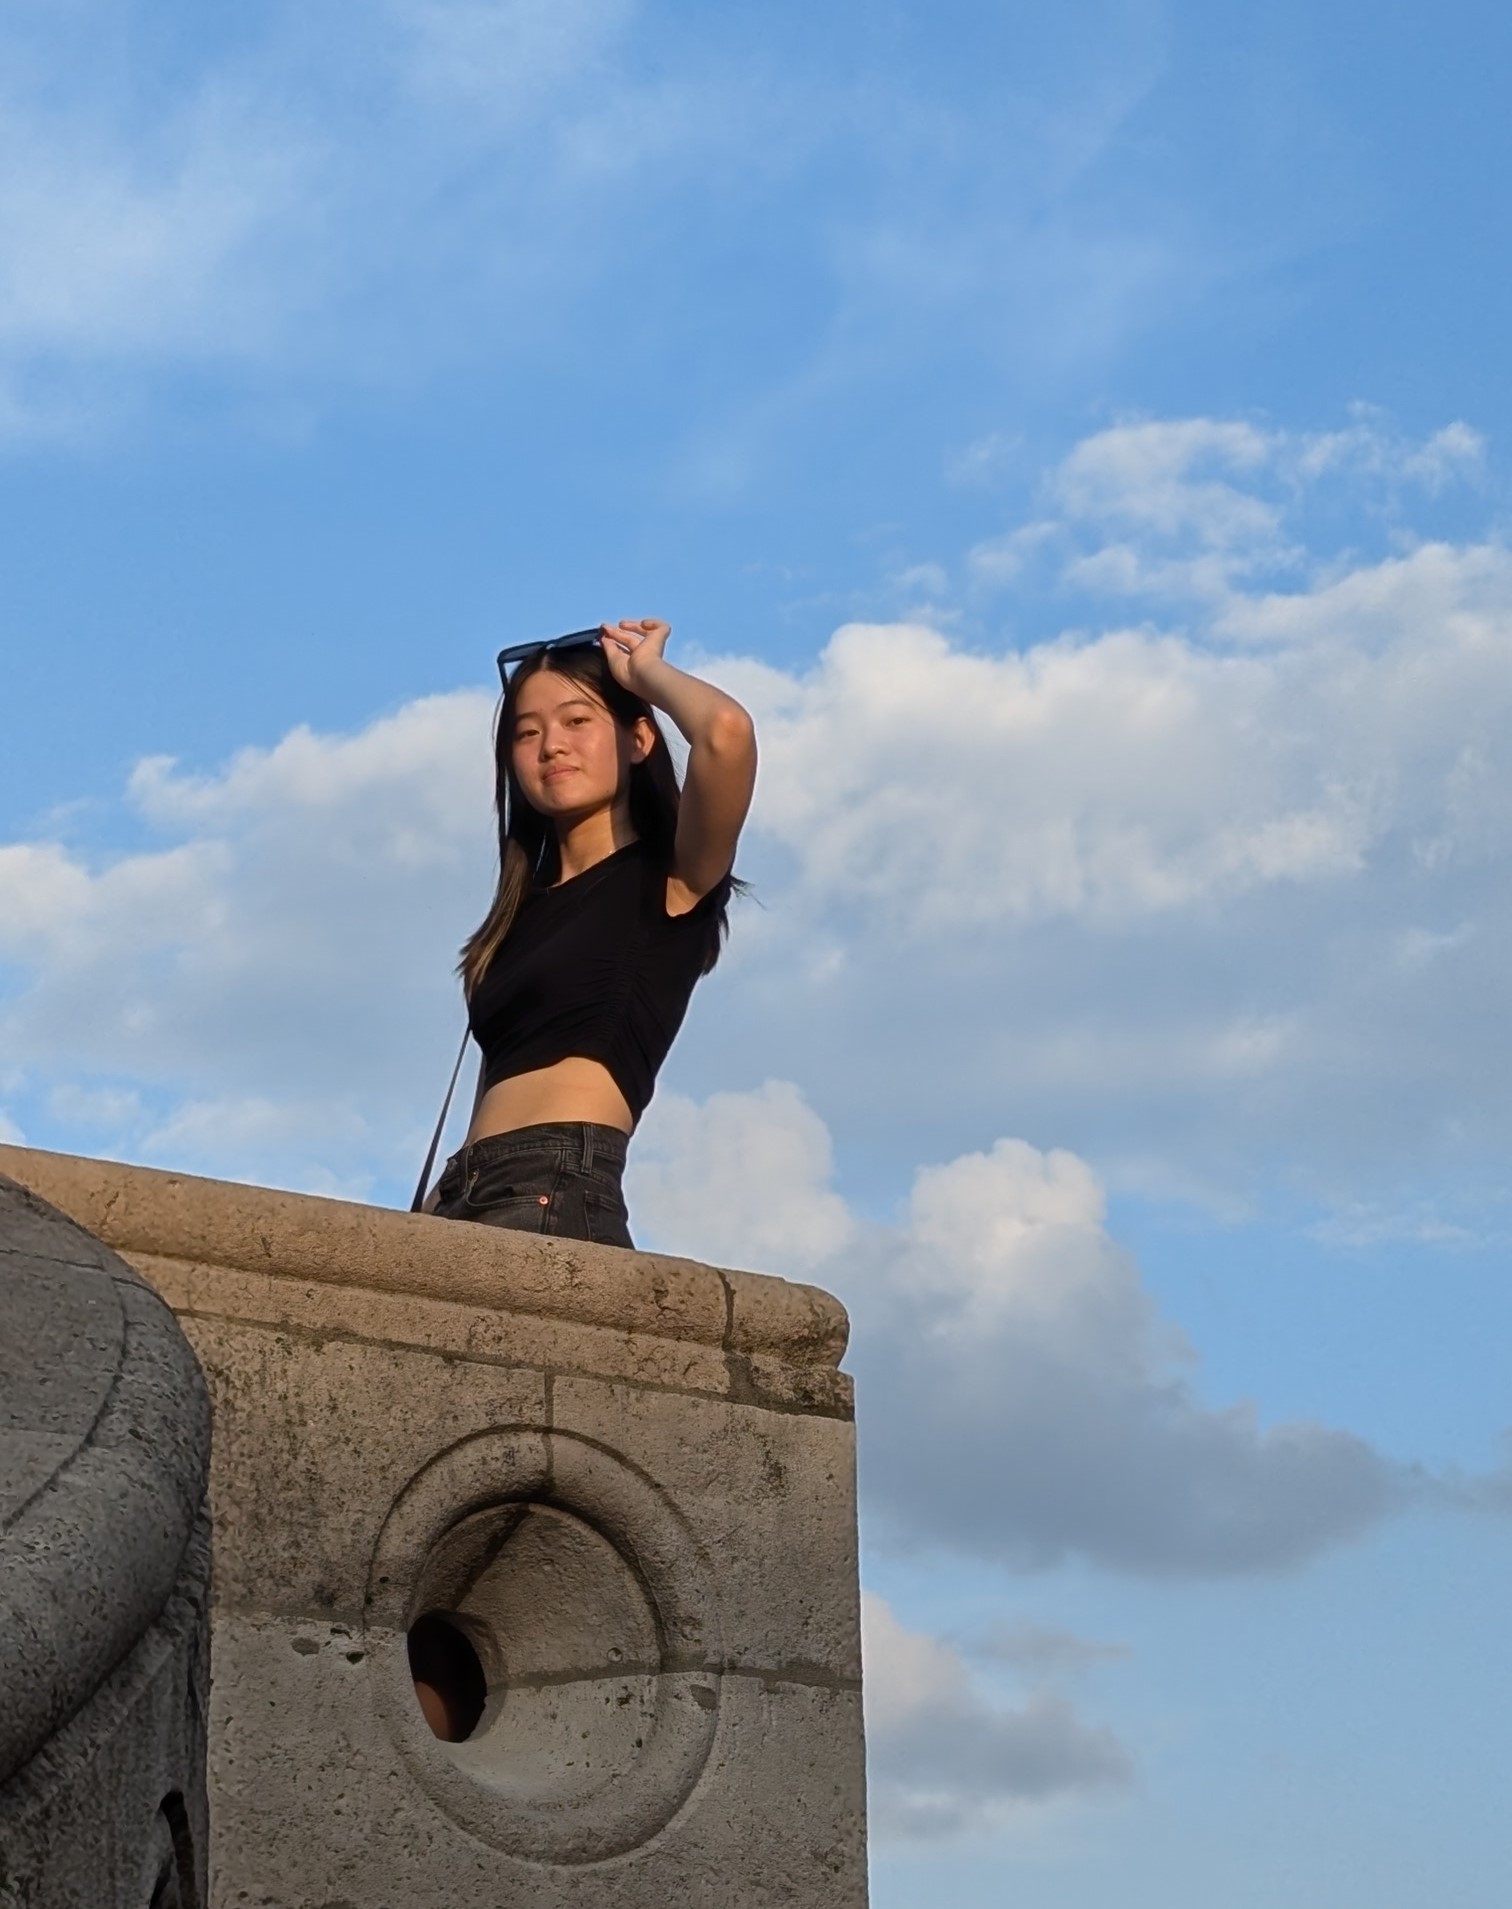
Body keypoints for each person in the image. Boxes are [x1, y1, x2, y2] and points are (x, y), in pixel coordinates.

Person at [422, 618, 756, 1248]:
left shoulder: (670, 877)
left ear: (638, 740)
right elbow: (489, 1088)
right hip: (464, 1191)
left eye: (577, 721)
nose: (551, 745)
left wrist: (645, 674)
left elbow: (726, 733)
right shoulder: (514, 920)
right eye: (527, 731)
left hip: (554, 1179)